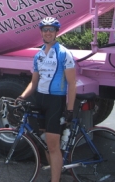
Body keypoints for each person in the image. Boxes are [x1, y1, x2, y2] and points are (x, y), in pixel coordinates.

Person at [16, 17, 76, 182]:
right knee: (45, 143)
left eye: (51, 29)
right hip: (40, 99)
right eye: (45, 29)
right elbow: (33, 82)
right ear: (41, 32)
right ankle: (55, 174)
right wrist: (23, 96)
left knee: (53, 146)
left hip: (55, 102)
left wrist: (70, 109)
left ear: (56, 32)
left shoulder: (64, 53)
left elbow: (72, 83)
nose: (48, 32)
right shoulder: (39, 55)